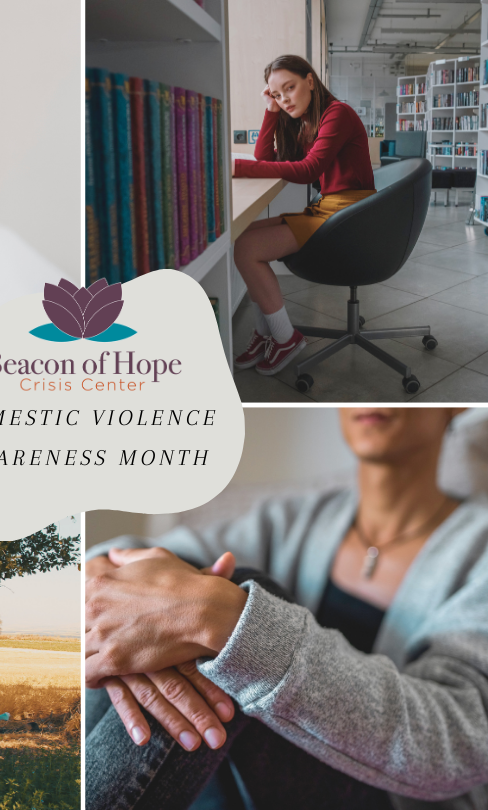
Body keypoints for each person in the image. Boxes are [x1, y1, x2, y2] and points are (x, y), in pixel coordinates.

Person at [85, 408, 488, 810]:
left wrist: (232, 626)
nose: (370, 402)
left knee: (243, 594)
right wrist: (102, 573)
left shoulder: (480, 548)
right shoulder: (298, 517)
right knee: (169, 603)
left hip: (392, 799)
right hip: (228, 786)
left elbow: (465, 739)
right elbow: (140, 557)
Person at [231, 55, 376, 376]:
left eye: (290, 88)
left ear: (310, 81)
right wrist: (270, 112)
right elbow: (265, 158)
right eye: (277, 95)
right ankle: (268, 332)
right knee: (241, 236)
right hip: (331, 208)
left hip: (350, 215)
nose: (284, 99)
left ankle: (285, 338)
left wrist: (235, 167)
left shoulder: (337, 113)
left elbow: (308, 169)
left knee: (247, 248)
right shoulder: (307, 122)